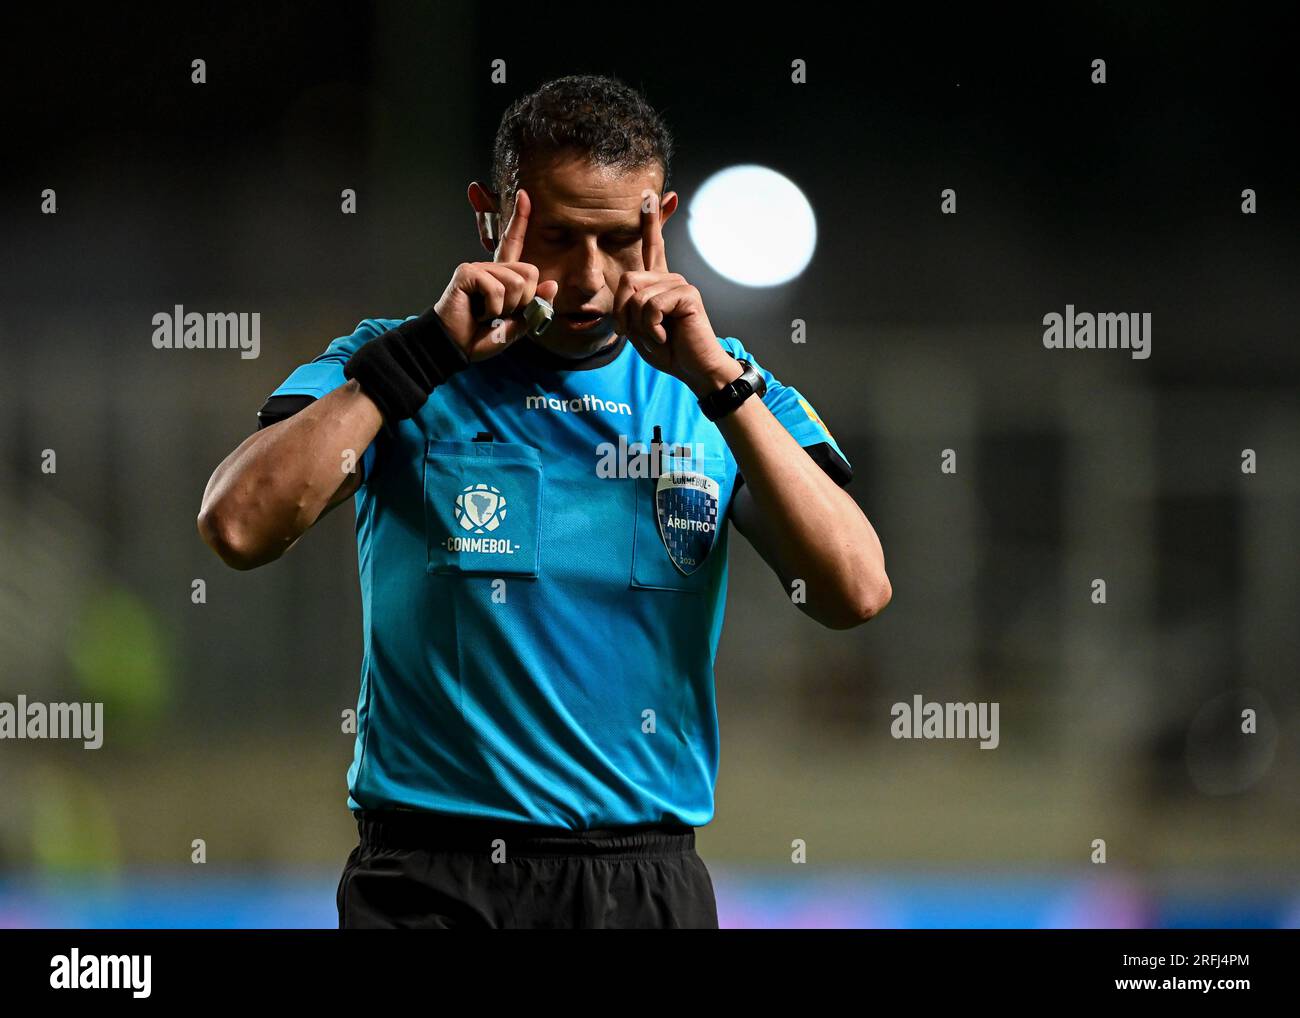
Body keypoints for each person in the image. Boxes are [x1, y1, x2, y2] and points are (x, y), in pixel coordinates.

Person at [197, 74, 891, 929]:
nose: (589, 278)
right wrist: (423, 357)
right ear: (490, 213)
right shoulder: (394, 365)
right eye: (558, 237)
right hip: (430, 880)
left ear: (661, 221)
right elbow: (238, 524)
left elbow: (855, 590)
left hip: (642, 884)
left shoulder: (723, 388)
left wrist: (718, 383)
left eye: (619, 240)